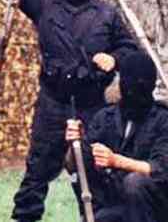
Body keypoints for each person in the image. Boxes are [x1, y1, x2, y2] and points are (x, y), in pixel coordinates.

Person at [0, 0, 138, 222]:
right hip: (52, 104)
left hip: (92, 107)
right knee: (36, 175)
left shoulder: (106, 15)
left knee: (96, 178)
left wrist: (115, 59)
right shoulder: (43, 4)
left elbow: (131, 50)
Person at [65, 52, 168, 222]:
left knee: (135, 182)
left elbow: (161, 169)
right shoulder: (105, 118)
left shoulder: (163, 120)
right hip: (115, 204)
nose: (133, 92)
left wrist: (115, 161)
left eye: (141, 86)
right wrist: (76, 142)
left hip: (154, 210)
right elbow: (73, 166)